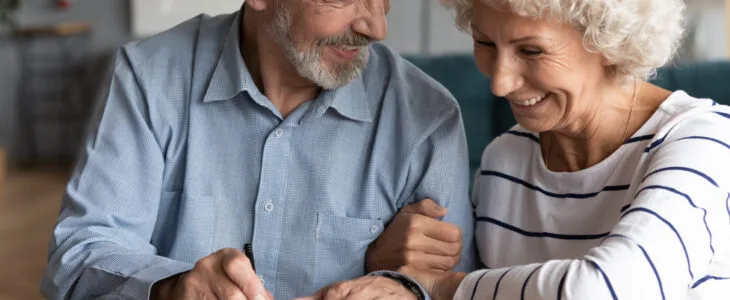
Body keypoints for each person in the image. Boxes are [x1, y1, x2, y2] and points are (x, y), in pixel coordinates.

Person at [40, 0, 477, 299]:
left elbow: (456, 289)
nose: (376, 26)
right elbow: (78, 257)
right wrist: (173, 287)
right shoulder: (148, 79)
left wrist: (403, 283)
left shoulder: (427, 120)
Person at [329, 0, 730, 299]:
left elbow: (608, 291)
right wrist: (390, 263)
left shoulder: (703, 141)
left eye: (531, 51)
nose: (500, 83)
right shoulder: (506, 158)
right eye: (485, 42)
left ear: (608, 41)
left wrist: (439, 287)